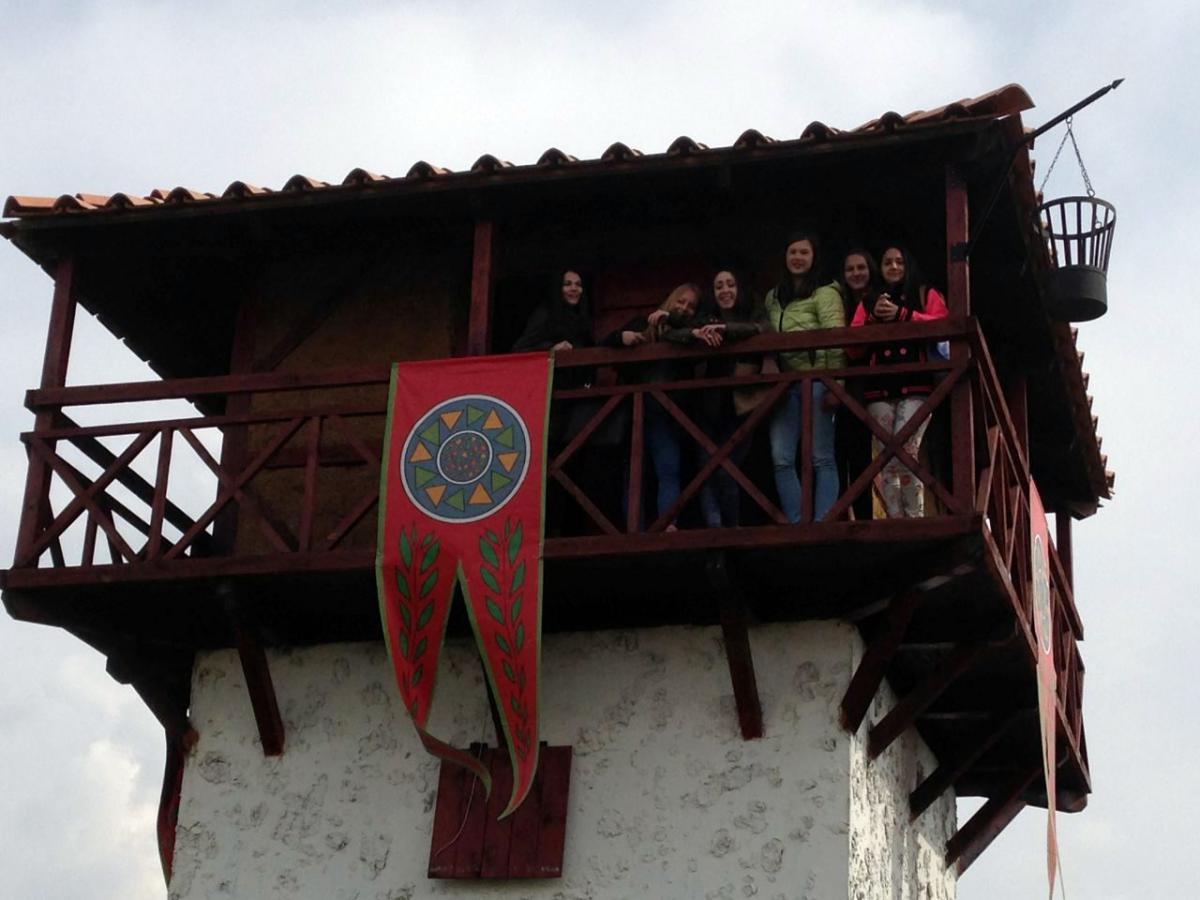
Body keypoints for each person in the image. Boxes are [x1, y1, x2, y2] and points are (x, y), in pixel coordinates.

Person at [848, 245, 949, 517]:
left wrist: (904, 316)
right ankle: (895, 519)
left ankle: (913, 517)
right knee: (886, 457)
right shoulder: (869, 301)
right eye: (887, 262)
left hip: (917, 387)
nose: (893, 267)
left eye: (899, 262)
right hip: (879, 390)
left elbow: (943, 325)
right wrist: (872, 319)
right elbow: (852, 347)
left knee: (906, 451)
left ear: (908, 265)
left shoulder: (924, 293)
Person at [669, 268, 767, 526]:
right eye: (719, 286)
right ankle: (715, 527)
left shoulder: (752, 313)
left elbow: (764, 328)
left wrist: (726, 329)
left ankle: (731, 529)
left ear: (739, 288)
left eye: (730, 284)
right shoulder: (704, 319)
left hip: (742, 405)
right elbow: (672, 333)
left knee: (726, 471)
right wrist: (694, 333)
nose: (725, 290)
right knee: (707, 471)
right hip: (708, 406)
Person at [603, 283, 703, 529]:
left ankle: (668, 526)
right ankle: (633, 531)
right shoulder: (644, 322)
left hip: (667, 414)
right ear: (670, 299)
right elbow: (605, 342)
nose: (684, 308)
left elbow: (697, 333)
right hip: (635, 411)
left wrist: (670, 319)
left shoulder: (690, 332)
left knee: (668, 468)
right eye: (681, 301)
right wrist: (621, 337)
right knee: (634, 474)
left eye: (691, 306)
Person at [764, 232, 846, 523]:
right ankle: (798, 522)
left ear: (814, 258)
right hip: (786, 384)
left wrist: (836, 385)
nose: (797, 258)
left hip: (818, 380)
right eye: (793, 252)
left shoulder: (825, 292)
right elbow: (766, 333)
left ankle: (822, 521)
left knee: (821, 456)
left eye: (804, 252)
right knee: (781, 457)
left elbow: (836, 339)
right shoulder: (773, 297)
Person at [835, 249, 882, 521]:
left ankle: (864, 519)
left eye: (861, 267)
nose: (855, 273)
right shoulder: (838, 303)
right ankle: (843, 517)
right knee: (840, 452)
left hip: (870, 384)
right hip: (842, 384)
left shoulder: (879, 300)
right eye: (850, 269)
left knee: (863, 456)